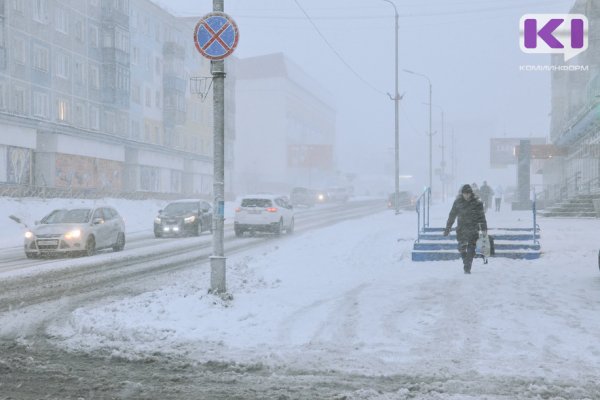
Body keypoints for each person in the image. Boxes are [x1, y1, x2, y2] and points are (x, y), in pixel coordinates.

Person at [443, 184, 488, 274]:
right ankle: (466, 262)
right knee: (461, 248)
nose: (467, 195)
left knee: (471, 247)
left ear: (471, 193)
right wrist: (448, 228)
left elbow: (482, 217)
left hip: (473, 228)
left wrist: (484, 229)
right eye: (465, 193)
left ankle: (467, 267)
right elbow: (452, 215)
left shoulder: (477, 203)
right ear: (462, 193)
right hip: (461, 228)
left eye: (468, 193)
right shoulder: (458, 202)